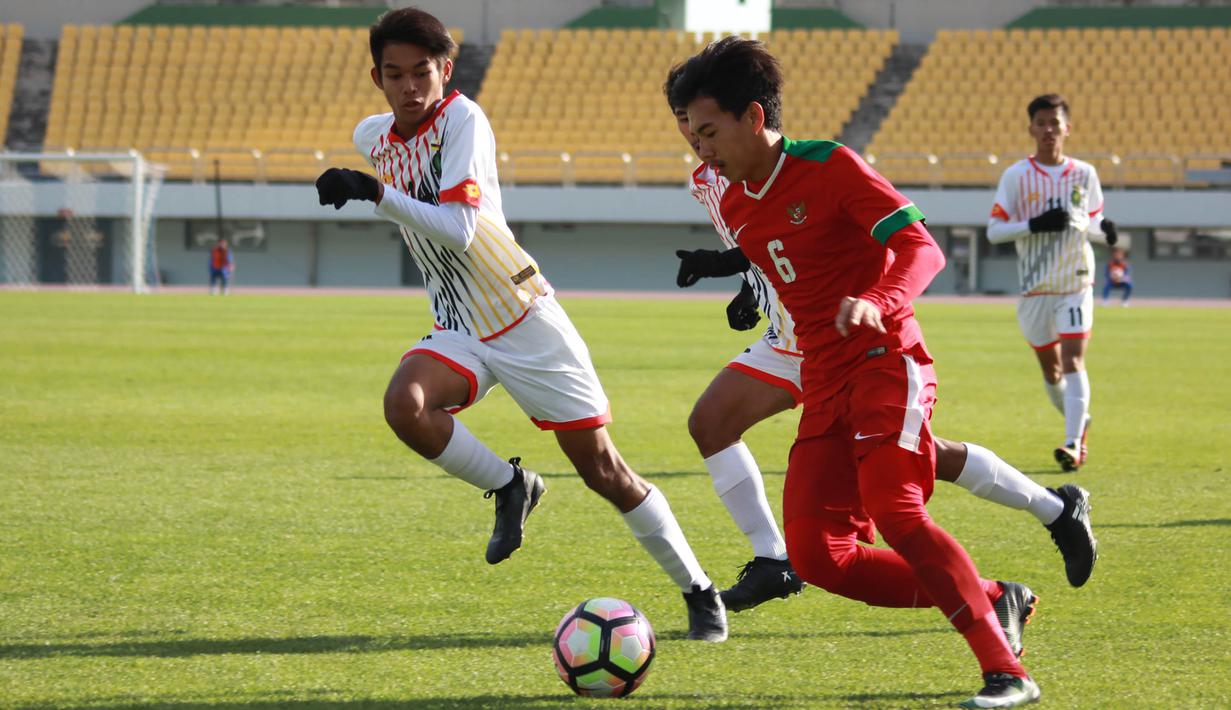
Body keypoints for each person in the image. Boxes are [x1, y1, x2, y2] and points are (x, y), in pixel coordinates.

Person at [312, 7, 726, 641]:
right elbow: (401, 184)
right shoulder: (372, 136)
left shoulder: (464, 120)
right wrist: (373, 187)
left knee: (604, 471)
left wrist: (373, 193)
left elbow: (460, 228)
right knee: (405, 404)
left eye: (423, 72)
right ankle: (511, 485)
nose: (410, 87)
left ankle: (700, 590)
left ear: (445, 70)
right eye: (395, 75)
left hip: (522, 315)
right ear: (377, 79)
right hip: (459, 326)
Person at [671, 37, 1045, 707]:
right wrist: (747, 291)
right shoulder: (733, 203)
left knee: (895, 510)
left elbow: (920, 248)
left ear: (753, 117)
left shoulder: (830, 165)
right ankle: (993, 597)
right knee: (818, 557)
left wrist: (878, 299)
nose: (701, 149)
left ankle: (1005, 670)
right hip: (823, 380)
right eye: (692, 135)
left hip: (886, 363)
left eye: (709, 131)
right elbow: (789, 266)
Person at [987, 94, 1118, 472]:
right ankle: (1080, 419)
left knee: (1073, 359)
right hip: (1035, 286)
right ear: (1031, 128)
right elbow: (994, 231)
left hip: (1076, 280)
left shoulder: (1085, 174)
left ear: (1067, 128)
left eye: (1055, 123)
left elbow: (1091, 221)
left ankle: (1073, 443)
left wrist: (1105, 231)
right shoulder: (1016, 176)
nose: (1048, 130)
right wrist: (1034, 224)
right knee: (1052, 372)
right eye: (1041, 123)